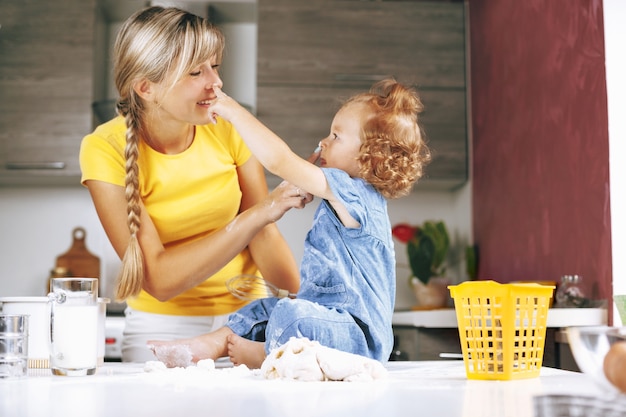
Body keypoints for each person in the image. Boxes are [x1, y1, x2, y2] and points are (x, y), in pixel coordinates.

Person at [79, 6, 308, 362]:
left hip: (244, 324)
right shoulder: (104, 148)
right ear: (146, 87)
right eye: (195, 71)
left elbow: (265, 234)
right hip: (160, 328)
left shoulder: (227, 127)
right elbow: (158, 278)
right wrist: (259, 214)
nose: (215, 82)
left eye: (215, 66)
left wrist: (307, 310)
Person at [149, 78, 431, 368]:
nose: (323, 142)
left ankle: (269, 355)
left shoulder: (356, 193)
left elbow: (279, 160)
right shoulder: (345, 197)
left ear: (370, 156)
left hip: (357, 338)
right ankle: (212, 343)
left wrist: (231, 110)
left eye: (336, 136)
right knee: (264, 308)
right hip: (328, 320)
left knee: (291, 315)